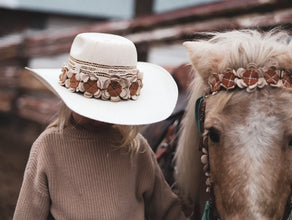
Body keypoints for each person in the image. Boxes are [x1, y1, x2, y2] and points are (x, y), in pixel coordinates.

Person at [13, 33, 187, 220]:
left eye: (107, 108)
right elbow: (28, 213)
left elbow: (167, 210)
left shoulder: (136, 150)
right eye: (89, 108)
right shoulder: (49, 146)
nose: (96, 119)